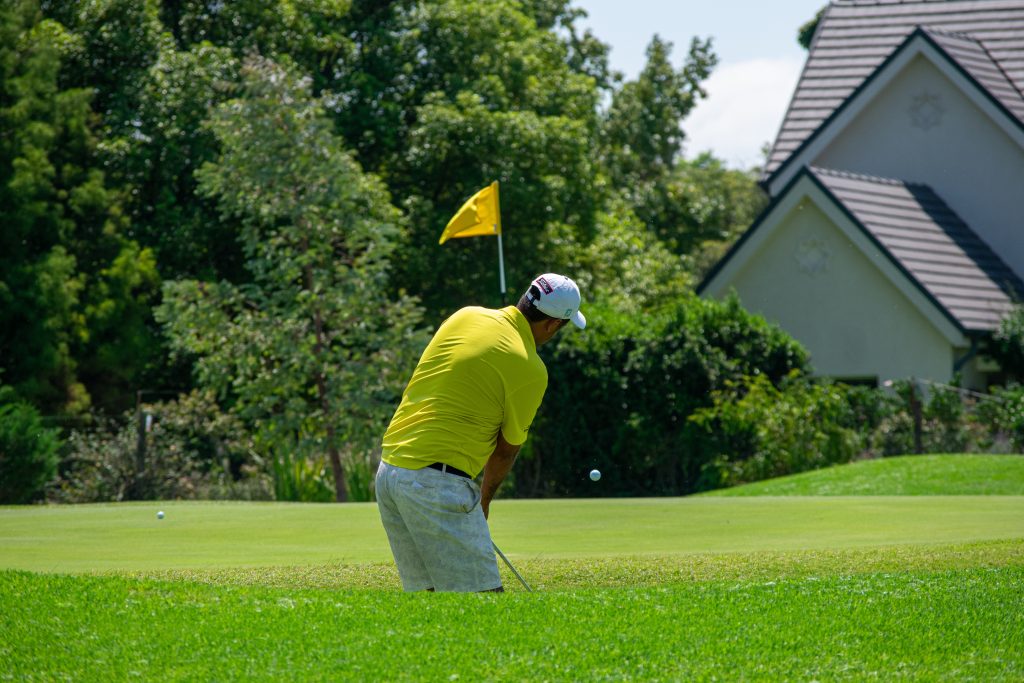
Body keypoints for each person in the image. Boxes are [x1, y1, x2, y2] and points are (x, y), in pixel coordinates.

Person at [375, 273, 586, 592]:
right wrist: (483, 501)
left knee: (428, 602)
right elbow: (506, 450)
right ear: (553, 324)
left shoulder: (465, 315)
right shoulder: (530, 368)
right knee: (486, 603)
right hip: (435, 483)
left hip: (390, 472)